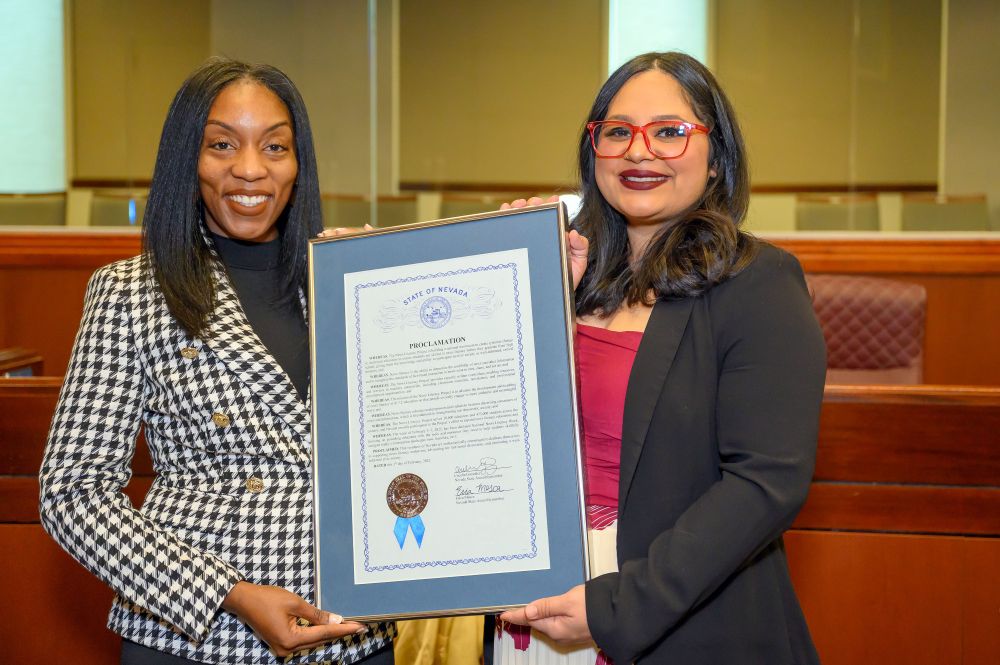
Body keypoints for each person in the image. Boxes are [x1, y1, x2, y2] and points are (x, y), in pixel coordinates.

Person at [39, 58, 394, 664]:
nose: (250, 168)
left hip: (349, 632)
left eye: (274, 146)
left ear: (298, 162)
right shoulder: (130, 294)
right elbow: (71, 494)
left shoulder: (357, 284)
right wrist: (226, 592)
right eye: (222, 145)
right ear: (188, 159)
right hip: (196, 636)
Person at [495, 51, 826, 664]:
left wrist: (618, 606)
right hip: (535, 611)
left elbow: (765, 483)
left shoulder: (760, 284)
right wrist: (514, 301)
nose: (639, 151)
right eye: (617, 131)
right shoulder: (559, 272)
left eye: (670, 132)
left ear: (716, 153)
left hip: (680, 619)